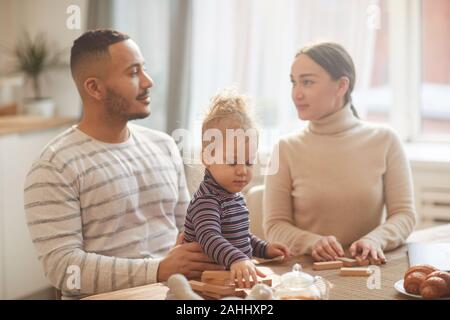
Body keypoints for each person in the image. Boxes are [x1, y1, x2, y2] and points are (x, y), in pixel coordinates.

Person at [24, 29, 222, 299]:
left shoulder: (163, 146)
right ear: (94, 88)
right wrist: (158, 270)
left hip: (179, 292)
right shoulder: (55, 166)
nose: (148, 81)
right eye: (133, 72)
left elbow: (188, 227)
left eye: (145, 69)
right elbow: (64, 268)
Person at [263, 42, 416, 263]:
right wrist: (312, 242)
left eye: (307, 82)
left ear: (341, 86)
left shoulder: (385, 141)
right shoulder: (285, 149)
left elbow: (404, 215)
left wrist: (375, 240)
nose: (296, 93)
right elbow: (275, 226)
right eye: (293, 82)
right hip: (305, 277)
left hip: (366, 268)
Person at [184, 90, 291, 288]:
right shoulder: (206, 200)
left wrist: (265, 249)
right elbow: (210, 238)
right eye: (233, 162)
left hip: (231, 280)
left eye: (249, 162)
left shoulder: (235, 197)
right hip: (204, 283)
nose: (243, 171)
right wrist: (237, 259)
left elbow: (240, 237)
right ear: (207, 158)